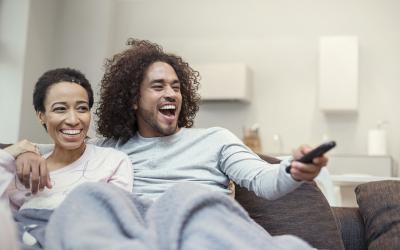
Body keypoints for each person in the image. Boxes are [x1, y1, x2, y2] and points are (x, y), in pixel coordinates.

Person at [12, 40, 327, 249]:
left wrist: (295, 169)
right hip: (142, 235)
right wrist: (25, 149)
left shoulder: (214, 139)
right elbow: (55, 149)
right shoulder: (108, 150)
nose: (171, 94)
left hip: (201, 227)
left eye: (176, 87)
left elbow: (264, 180)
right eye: (158, 86)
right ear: (133, 99)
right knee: (90, 197)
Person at [0, 68, 133, 248]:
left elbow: (116, 220)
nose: (73, 119)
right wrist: (15, 151)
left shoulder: (112, 161)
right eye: (60, 109)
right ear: (41, 116)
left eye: (82, 109)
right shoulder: (23, 169)